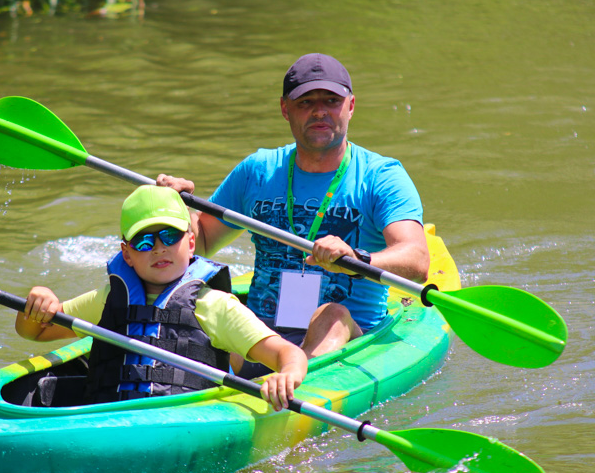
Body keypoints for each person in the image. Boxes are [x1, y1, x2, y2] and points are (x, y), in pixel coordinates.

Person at [157, 53, 429, 380]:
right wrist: (175, 206)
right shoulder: (257, 171)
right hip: (264, 342)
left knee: (331, 313)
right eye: (305, 102)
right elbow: (197, 243)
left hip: (346, 342)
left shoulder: (381, 176)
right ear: (285, 109)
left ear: (351, 106)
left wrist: (356, 257)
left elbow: (417, 259)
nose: (319, 111)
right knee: (207, 302)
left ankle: (296, 382)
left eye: (331, 100)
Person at [14, 185, 307, 410]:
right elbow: (35, 331)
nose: (158, 248)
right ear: (126, 254)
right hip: (106, 418)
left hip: (183, 424)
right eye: (144, 240)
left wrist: (288, 375)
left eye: (169, 236)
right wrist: (38, 302)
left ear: (191, 243)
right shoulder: (108, 301)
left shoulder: (214, 305)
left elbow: (287, 353)